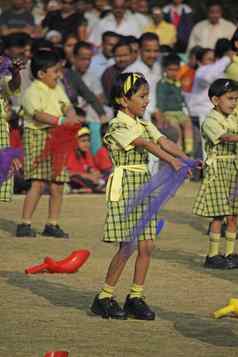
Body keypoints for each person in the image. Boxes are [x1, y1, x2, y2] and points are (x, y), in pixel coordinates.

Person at [91, 72, 191, 320]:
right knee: (128, 245)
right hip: (125, 186)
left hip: (143, 185)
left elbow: (164, 141)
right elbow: (147, 145)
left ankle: (135, 296)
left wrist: (187, 159)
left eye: (147, 95)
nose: (147, 101)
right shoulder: (118, 124)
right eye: (142, 96)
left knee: (147, 245)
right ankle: (104, 297)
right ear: (123, 100)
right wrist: (172, 162)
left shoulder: (144, 122)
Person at [16, 50, 79, 238]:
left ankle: (52, 223)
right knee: (38, 182)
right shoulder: (32, 91)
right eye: (55, 71)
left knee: (58, 183)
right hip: (38, 136)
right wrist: (62, 121)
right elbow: (37, 115)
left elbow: (67, 105)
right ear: (41, 74)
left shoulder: (56, 88)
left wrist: (71, 116)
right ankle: (25, 223)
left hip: (57, 138)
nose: (59, 75)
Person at [193, 79, 238, 269]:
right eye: (230, 98)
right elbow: (225, 137)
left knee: (234, 213)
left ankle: (229, 253)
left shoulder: (234, 116)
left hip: (234, 167)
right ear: (215, 100)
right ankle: (212, 255)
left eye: (236, 99)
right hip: (218, 169)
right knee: (218, 214)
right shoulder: (210, 120)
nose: (234, 103)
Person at [156, 54, 193, 155]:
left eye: (176, 70)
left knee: (188, 124)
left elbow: (182, 99)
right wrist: (161, 115)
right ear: (164, 69)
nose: (173, 72)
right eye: (170, 69)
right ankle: (178, 150)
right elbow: (160, 100)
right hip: (169, 113)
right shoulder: (162, 83)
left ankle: (189, 149)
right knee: (176, 130)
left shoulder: (178, 82)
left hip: (180, 112)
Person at [67, 126, 106, 193]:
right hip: (73, 181)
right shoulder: (70, 153)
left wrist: (95, 173)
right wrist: (86, 175)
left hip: (86, 180)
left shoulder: (87, 153)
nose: (87, 143)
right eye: (83, 141)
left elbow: (91, 168)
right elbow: (68, 173)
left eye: (88, 141)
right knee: (75, 178)